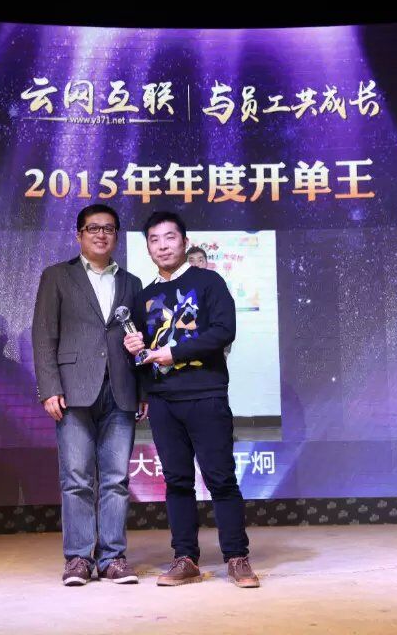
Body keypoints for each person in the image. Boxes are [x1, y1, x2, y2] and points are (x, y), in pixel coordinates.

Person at [124, 211, 259, 588]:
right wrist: (133, 348)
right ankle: (185, 559)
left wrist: (174, 353)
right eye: (154, 239)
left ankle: (237, 557)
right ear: (148, 247)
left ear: (185, 242)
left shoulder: (209, 282)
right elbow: (144, 353)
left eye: (170, 237)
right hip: (163, 401)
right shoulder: (144, 297)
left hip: (206, 395)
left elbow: (224, 331)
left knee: (221, 478)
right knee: (177, 482)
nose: (163, 246)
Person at [32, 204, 146, 586]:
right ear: (78, 234)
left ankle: (113, 558)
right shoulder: (57, 276)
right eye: (93, 228)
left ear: (116, 236)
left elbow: (139, 340)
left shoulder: (131, 283)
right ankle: (79, 558)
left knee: (116, 480)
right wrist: (49, 388)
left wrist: (142, 388)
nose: (101, 234)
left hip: (121, 390)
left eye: (108, 229)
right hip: (73, 391)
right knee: (77, 479)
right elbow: (43, 335)